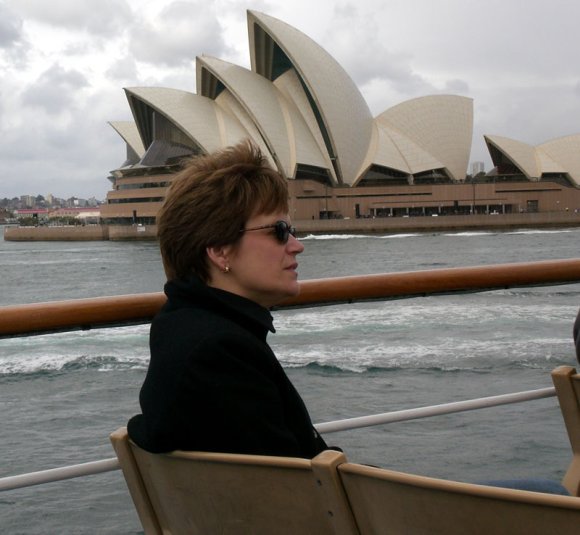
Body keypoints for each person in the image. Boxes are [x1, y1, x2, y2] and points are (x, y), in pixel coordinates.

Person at [127, 140, 329, 458]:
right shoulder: (220, 354)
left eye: (292, 230)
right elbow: (291, 489)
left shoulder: (179, 329)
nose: (296, 245)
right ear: (220, 250)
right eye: (278, 230)